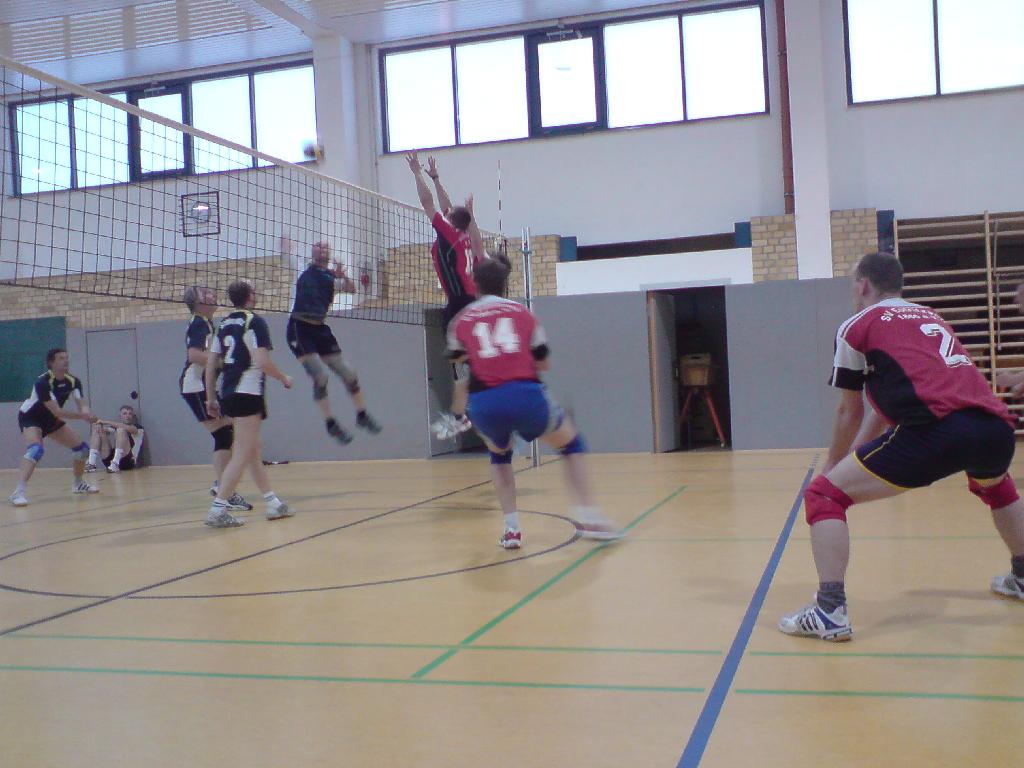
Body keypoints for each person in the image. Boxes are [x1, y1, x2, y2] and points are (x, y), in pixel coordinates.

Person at [780, 252, 1024, 642]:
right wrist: (854, 461)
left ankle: (829, 611)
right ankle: (1022, 577)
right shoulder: (929, 316)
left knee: (823, 496)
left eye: (853, 283)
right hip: (994, 428)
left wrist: (831, 468)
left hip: (937, 431)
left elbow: (849, 410)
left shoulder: (858, 325)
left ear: (863, 285)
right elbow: (880, 412)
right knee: (998, 488)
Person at [448, 258, 621, 549]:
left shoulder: (461, 320)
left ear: (475, 286)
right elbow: (544, 363)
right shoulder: (524, 313)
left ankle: (512, 530)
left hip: (485, 404)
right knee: (572, 444)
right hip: (525, 396)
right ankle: (591, 518)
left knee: (499, 456)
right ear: (505, 285)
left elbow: (457, 361)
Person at [407, 152, 488, 440]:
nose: (446, 212)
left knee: (459, 361)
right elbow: (446, 207)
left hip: (459, 306)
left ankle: (465, 411)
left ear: (452, 222)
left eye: (449, 214)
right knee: (465, 360)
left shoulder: (450, 235)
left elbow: (429, 204)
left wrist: (417, 173)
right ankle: (467, 408)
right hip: (470, 304)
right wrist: (436, 177)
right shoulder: (464, 238)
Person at [204, 281, 294, 528]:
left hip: (228, 392)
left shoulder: (223, 324)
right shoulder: (254, 322)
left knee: (253, 449)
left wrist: (211, 397)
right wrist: (283, 378)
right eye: (254, 291)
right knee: (243, 453)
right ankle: (218, 509)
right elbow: (262, 361)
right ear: (249, 297)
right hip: (248, 392)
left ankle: (273, 502)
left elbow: (211, 364)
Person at [286, 241, 382, 445]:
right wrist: (287, 247)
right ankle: (331, 424)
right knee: (320, 376)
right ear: (312, 251)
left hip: (320, 329)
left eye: (325, 246)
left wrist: (342, 276)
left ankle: (362, 415)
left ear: (329, 253)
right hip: (299, 328)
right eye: (318, 246)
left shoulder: (331, 278)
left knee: (349, 374)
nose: (322, 248)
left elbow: (352, 289)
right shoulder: (303, 268)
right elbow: (289, 255)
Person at [179, 285, 251, 511]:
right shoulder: (199, 323)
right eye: (205, 293)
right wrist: (225, 362)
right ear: (198, 302)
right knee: (224, 434)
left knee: (229, 431)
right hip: (195, 385)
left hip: (203, 385)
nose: (212, 294)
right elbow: (194, 355)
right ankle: (224, 491)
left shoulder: (206, 322)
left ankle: (222, 485)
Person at [8, 348, 99, 506]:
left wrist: (87, 413)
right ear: (51, 363)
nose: (66, 361)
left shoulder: (73, 381)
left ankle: (78, 484)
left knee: (82, 449)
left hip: (50, 419)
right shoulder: (43, 382)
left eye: (66, 358)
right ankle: (18, 492)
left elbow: (82, 404)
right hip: (31, 417)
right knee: (35, 449)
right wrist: (83, 417)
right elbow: (57, 411)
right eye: (61, 358)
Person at [85, 404, 142, 473]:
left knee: (121, 430)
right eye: (125, 413)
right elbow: (104, 429)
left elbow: (128, 428)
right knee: (97, 429)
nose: (127, 416)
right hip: (109, 461)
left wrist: (106, 422)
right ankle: (91, 463)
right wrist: (97, 424)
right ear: (120, 416)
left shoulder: (137, 428)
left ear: (133, 416)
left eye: (130, 414)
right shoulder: (115, 428)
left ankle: (115, 464)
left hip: (127, 461)